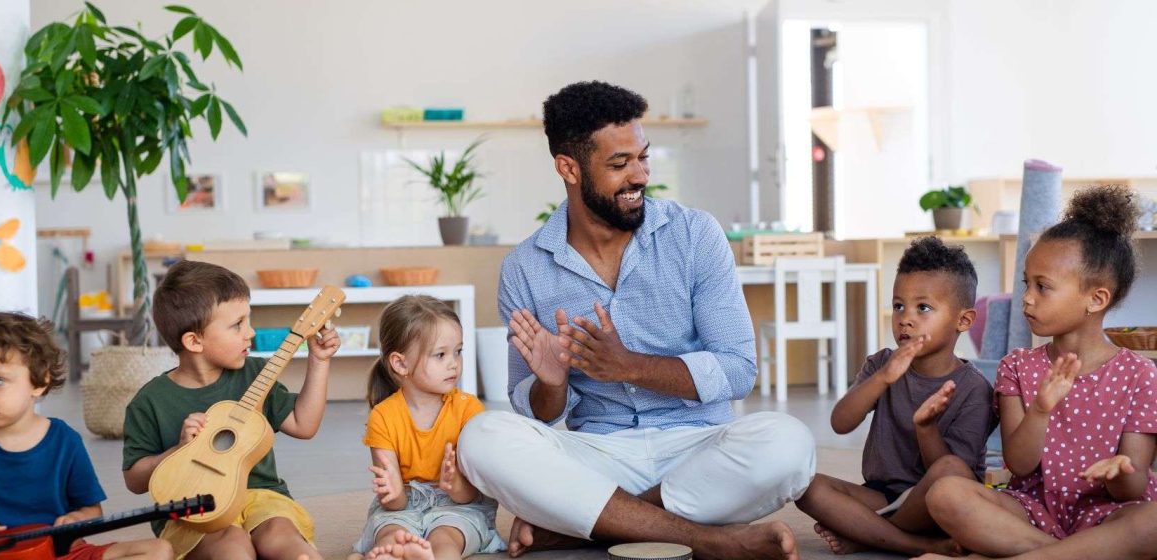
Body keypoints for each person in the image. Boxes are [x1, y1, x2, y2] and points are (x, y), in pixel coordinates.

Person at [457, 81, 815, 560]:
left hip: (698, 448)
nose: (640, 175)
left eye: (644, 157)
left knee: (788, 443)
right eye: (620, 164)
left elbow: (738, 370)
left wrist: (629, 366)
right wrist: (553, 383)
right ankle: (706, 537)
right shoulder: (525, 267)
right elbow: (537, 414)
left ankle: (590, 525)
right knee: (482, 438)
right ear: (568, 168)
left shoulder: (694, 235)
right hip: (600, 455)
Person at [917, 186, 1157, 560]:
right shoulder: (1017, 366)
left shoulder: (1141, 375)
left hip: (1109, 514)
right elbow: (1019, 463)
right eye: (1026, 283)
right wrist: (1041, 410)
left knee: (1152, 523)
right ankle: (1074, 555)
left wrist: (1122, 471)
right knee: (946, 494)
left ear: (1096, 299)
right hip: (1030, 512)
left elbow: (1133, 488)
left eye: (1042, 287)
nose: (1027, 297)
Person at [121, 260, 339, 560]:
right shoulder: (150, 401)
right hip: (194, 508)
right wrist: (179, 449)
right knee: (232, 547)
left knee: (282, 536)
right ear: (194, 341)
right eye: (237, 325)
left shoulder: (256, 374)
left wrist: (320, 361)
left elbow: (304, 425)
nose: (250, 332)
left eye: (248, 320)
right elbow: (134, 480)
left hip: (262, 495)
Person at [794, 237, 996, 556]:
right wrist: (883, 378)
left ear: (964, 320)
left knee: (948, 473)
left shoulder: (975, 389)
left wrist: (926, 427)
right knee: (804, 485)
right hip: (882, 496)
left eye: (923, 307)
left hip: (936, 504)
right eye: (898, 305)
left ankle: (868, 532)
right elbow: (840, 423)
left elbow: (954, 479)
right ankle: (911, 544)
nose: (906, 318)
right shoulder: (882, 364)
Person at [0, 311, 172, 560]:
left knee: (160, 550)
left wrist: (76, 519)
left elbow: (92, 510)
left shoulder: (64, 441)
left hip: (61, 553)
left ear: (39, 381)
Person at [351, 295, 503, 560]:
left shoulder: (469, 410)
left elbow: (470, 496)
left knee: (445, 540)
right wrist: (394, 492)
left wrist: (455, 484)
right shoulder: (383, 416)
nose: (453, 363)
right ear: (401, 364)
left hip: (459, 507)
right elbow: (394, 504)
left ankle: (428, 555)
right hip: (403, 508)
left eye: (458, 351)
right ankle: (391, 553)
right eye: (440, 355)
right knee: (390, 534)